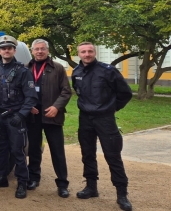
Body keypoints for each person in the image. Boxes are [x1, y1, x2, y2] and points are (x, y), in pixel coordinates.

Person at [72, 42, 133, 211]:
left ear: (94, 52)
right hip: (85, 119)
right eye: (83, 52)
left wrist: (112, 108)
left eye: (90, 51)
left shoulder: (108, 70)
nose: (87, 54)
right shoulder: (76, 72)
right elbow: (78, 92)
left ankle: (122, 194)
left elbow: (125, 93)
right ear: (79, 54)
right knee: (88, 155)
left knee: (113, 156)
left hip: (105, 119)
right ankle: (91, 187)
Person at [0, 35, 38, 199]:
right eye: (3, 48)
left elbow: (31, 97)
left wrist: (21, 115)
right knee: (0, 149)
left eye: (9, 48)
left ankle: (22, 182)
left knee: (17, 151)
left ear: (14, 50)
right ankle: (1, 177)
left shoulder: (23, 71)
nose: (6, 50)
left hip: (15, 116)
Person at [26, 39, 72, 198]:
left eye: (42, 49)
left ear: (47, 50)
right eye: (36, 49)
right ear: (32, 51)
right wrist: (27, 106)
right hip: (33, 116)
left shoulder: (57, 68)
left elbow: (66, 91)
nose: (39, 51)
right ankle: (33, 178)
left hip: (52, 115)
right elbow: (22, 91)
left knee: (57, 150)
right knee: (33, 149)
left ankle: (62, 183)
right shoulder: (27, 68)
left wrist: (56, 107)